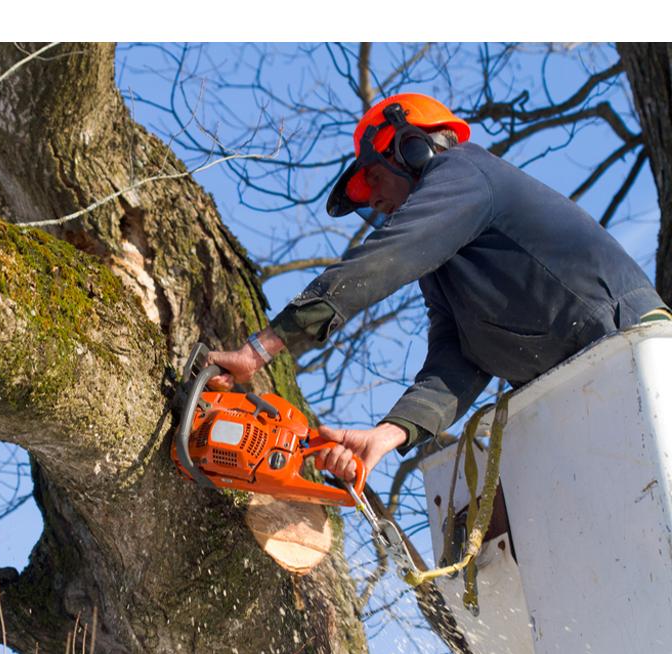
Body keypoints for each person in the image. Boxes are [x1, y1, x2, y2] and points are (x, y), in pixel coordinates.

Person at [208, 93, 669, 483]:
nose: (379, 202)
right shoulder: (445, 265)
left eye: (373, 179)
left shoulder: (465, 173)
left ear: (412, 150)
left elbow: (387, 257)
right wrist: (386, 435)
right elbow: (458, 359)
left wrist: (260, 349)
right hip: (578, 391)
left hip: (629, 349)